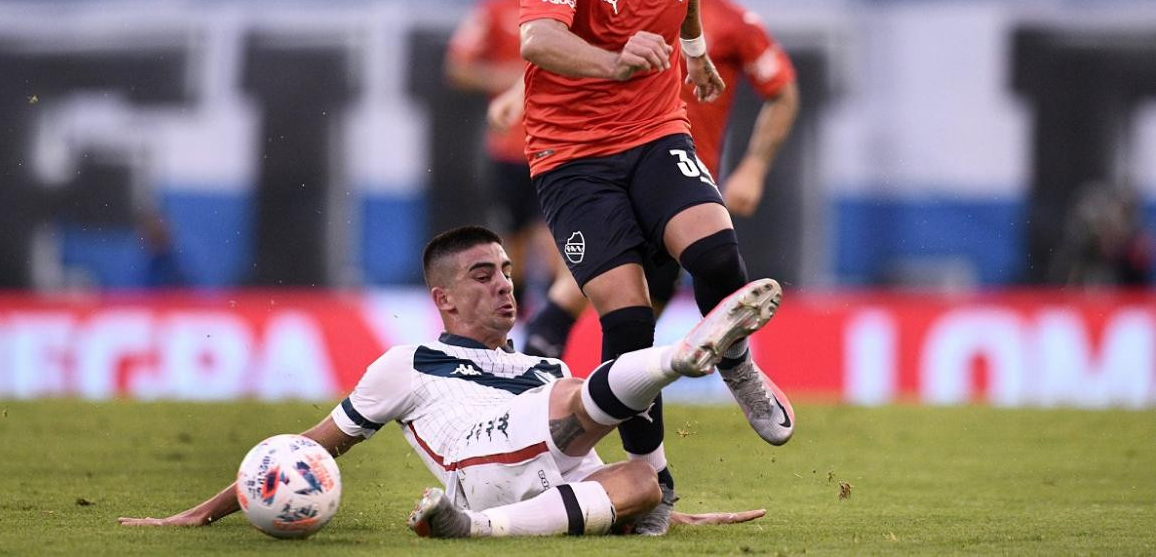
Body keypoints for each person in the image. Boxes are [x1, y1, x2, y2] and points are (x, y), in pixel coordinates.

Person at [117, 225, 779, 538]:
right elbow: (311, 447)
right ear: (445, 300)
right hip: (479, 456)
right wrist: (202, 511)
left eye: (504, 270)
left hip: (541, 479)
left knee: (640, 479)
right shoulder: (408, 363)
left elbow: (591, 459)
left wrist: (676, 513)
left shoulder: (538, 365)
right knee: (580, 394)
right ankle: (678, 355)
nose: (502, 284)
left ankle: (473, 529)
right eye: (482, 275)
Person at [511, 0, 795, 532]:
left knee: (716, 250)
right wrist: (612, 61)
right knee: (630, 322)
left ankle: (736, 361)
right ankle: (654, 485)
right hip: (572, 157)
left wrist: (693, 49)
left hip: (653, 131)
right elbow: (536, 38)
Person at [501, 0, 800, 360]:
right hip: (610, 157)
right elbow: (567, 57)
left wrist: (754, 167)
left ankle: (616, 391)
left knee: (654, 307)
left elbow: (783, 89)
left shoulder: (733, 20)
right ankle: (537, 376)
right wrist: (519, 94)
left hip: (677, 170)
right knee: (592, 298)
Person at [446, 0, 563, 311]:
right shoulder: (494, 8)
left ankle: (553, 329)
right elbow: (458, 66)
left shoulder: (577, 7)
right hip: (510, 147)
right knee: (510, 244)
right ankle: (518, 323)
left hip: (562, 146)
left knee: (554, 242)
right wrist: (508, 78)